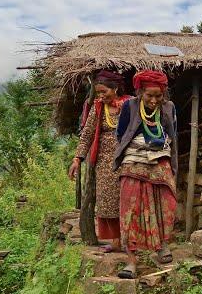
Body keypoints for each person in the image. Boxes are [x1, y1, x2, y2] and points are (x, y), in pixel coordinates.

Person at [113, 70, 178, 279]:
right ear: (140, 91)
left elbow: (172, 134)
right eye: (149, 95)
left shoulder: (168, 108)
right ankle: (131, 261)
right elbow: (121, 135)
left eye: (158, 96)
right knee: (130, 208)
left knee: (165, 202)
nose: (153, 100)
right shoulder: (129, 106)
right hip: (133, 160)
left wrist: (161, 149)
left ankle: (161, 246)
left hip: (160, 159)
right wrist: (141, 145)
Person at [68, 70, 132, 252]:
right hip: (104, 160)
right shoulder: (97, 107)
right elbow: (87, 134)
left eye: (104, 91)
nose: (101, 95)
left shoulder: (130, 104)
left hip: (127, 158)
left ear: (116, 88)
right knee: (107, 201)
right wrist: (77, 158)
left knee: (127, 199)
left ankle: (130, 242)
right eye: (98, 92)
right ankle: (115, 241)